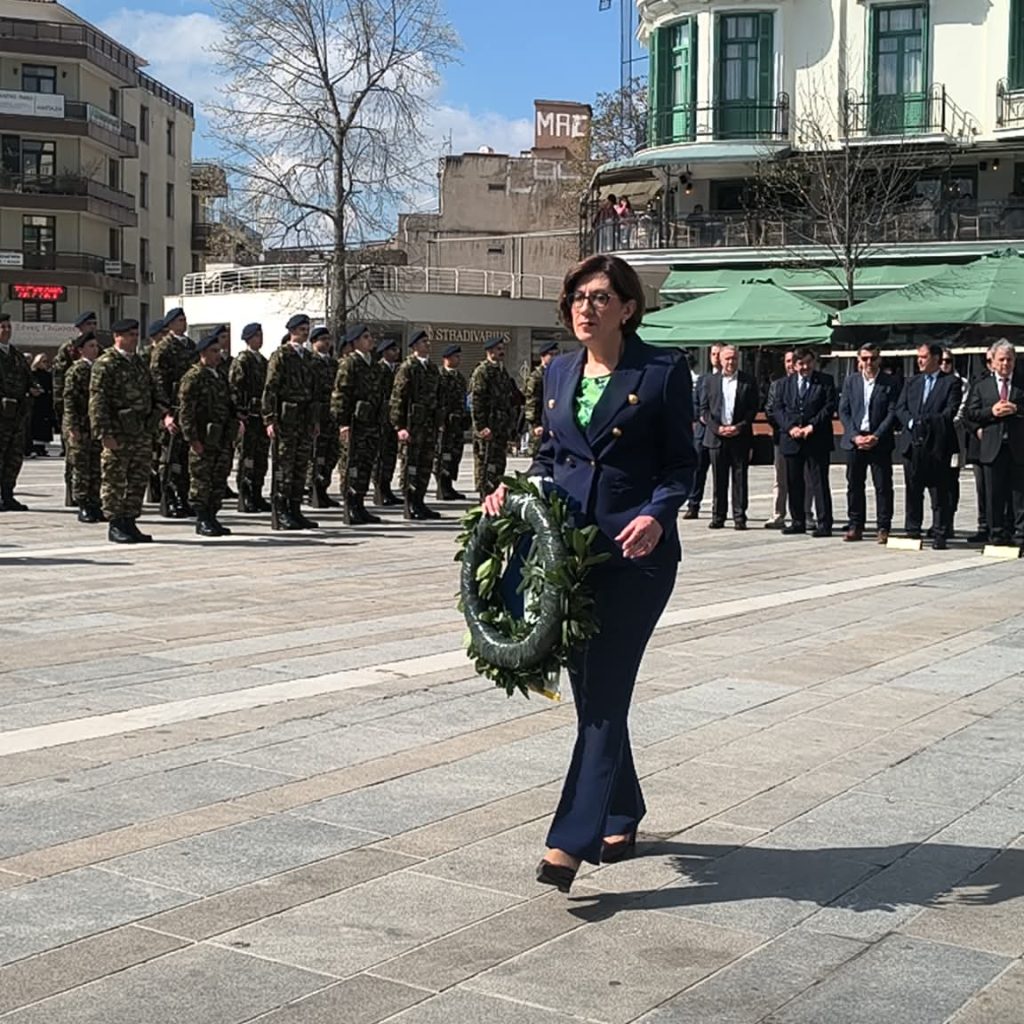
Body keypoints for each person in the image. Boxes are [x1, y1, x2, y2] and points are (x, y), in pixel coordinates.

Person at [483, 254, 696, 891]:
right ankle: (622, 810)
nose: (586, 307)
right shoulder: (558, 370)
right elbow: (551, 455)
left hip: (636, 558)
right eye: (578, 296)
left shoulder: (662, 371)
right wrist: (515, 491)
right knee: (593, 692)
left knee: (604, 693)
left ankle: (569, 841)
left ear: (627, 308)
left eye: (601, 297)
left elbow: (681, 465)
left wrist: (657, 514)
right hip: (569, 558)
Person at [89, 318, 160, 543]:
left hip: (140, 432)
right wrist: (104, 433)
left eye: (136, 334)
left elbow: (151, 391)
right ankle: (115, 523)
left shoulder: (138, 362)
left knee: (138, 479)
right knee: (115, 479)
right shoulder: (106, 363)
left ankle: (130, 521)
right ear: (117, 336)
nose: (134, 339)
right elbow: (98, 400)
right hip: (118, 432)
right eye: (130, 335)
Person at [895, 343, 963, 550]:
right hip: (912, 444)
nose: (920, 360)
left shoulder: (951, 382)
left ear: (935, 358)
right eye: (919, 357)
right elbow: (900, 408)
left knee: (940, 491)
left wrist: (925, 423)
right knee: (913, 490)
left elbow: (949, 411)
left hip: (937, 445)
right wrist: (911, 422)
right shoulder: (912, 382)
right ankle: (912, 530)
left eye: (924, 357)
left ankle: (940, 532)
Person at [179, 328, 244, 537]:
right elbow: (186, 412)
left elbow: (229, 405)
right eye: (214, 351)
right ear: (203, 353)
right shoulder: (193, 377)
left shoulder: (220, 376)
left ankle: (213, 516)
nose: (218, 355)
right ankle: (202, 519)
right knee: (202, 479)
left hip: (221, 437)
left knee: (218, 478)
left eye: (219, 351)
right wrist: (192, 439)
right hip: (203, 438)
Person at [838, 342, 900, 543]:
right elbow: (844, 410)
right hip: (855, 440)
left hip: (878, 441)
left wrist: (877, 435)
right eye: (865, 358)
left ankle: (883, 527)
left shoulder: (890, 382)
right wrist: (854, 435)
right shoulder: (851, 381)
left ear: (879, 359)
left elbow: (892, 411)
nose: (869, 362)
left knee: (883, 486)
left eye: (873, 358)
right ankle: (855, 525)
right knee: (854, 485)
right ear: (859, 360)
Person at [261, 313, 319, 531]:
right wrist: (269, 419)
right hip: (286, 421)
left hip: (304, 419)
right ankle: (281, 509)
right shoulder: (281, 355)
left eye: (307, 329)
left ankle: (295, 509)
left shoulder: (308, 357)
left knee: (300, 465)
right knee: (284, 466)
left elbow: (314, 391)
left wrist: (314, 421)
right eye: (302, 329)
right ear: (292, 331)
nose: (305, 333)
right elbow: (271, 389)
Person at [965, 339, 1024, 548]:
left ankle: (1020, 535)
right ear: (994, 361)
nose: (1005, 364)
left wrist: (1016, 409)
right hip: (992, 448)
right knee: (994, 495)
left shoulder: (1021, 384)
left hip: (1018, 447)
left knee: (1019, 495)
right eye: (1001, 360)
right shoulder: (982, 386)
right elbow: (970, 413)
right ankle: (996, 534)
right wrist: (991, 412)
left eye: (1009, 360)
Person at [773, 348, 837, 537]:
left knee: (819, 483)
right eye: (801, 363)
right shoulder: (783, 384)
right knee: (794, 482)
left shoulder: (825, 381)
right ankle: (797, 521)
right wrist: (790, 427)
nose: (805, 367)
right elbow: (778, 409)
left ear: (814, 362)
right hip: (792, 439)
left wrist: (812, 426)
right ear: (794, 365)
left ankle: (824, 523)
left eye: (808, 362)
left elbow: (829, 406)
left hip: (816, 438)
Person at [331, 324, 386, 524]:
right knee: (351, 465)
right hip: (355, 423)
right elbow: (340, 394)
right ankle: (350, 505)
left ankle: (360, 504)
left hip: (370, 423)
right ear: (355, 342)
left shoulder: (374, 365)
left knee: (366, 464)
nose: (370, 340)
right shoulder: (350, 363)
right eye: (366, 337)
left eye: (370, 337)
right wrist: (343, 423)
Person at [701, 345, 757, 530]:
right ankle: (718, 516)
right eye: (727, 358)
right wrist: (717, 428)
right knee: (719, 479)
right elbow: (704, 410)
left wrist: (739, 427)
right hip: (717, 438)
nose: (731, 362)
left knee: (740, 479)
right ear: (720, 360)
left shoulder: (748, 381)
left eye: (734, 358)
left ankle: (739, 517)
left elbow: (752, 409)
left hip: (739, 436)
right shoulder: (710, 381)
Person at [390, 329, 442, 520]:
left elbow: (438, 396)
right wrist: (400, 426)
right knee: (410, 465)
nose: (427, 344)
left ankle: (420, 501)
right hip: (412, 425)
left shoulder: (432, 368)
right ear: (414, 346)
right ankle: (409, 503)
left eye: (428, 341)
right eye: (423, 342)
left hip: (428, 425)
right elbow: (398, 398)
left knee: (425, 465)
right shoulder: (407, 367)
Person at [150, 306, 196, 518]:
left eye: (184, 319)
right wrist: (165, 412)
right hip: (172, 410)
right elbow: (157, 382)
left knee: (185, 458)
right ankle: (169, 498)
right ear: (169, 324)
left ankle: (183, 497)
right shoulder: (163, 348)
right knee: (169, 458)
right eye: (179, 320)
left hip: (187, 409)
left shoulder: (191, 346)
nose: (183, 323)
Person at [470, 336, 522, 499]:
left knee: (498, 465)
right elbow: (476, 401)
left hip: (500, 428)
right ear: (490, 351)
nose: (502, 352)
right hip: (488, 427)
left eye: (502, 349)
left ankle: (493, 498)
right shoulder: (482, 371)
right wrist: (481, 427)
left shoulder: (501, 371)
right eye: (498, 349)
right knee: (486, 466)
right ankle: (484, 499)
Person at [62, 331, 104, 523]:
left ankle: (95, 502)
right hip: (80, 424)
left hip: (95, 426)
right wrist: (72, 426)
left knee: (96, 466)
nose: (95, 350)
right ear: (81, 350)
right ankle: (83, 504)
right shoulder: (76, 371)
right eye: (90, 346)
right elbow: (69, 400)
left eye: (96, 346)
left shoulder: (99, 368)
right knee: (81, 467)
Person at [230, 323, 271, 513]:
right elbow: (235, 388)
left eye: (261, 335)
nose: (259, 339)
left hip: (260, 416)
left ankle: (257, 493)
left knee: (261, 457)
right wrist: (239, 412)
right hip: (248, 416)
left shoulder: (263, 361)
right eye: (256, 336)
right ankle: (245, 494)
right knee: (247, 458)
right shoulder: (242, 360)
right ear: (248, 338)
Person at [682, 344, 720, 519]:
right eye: (713, 354)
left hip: (719, 432)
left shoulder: (729, 380)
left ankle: (718, 509)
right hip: (702, 431)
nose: (715, 357)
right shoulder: (703, 379)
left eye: (718, 354)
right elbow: (695, 403)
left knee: (720, 473)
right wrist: (701, 417)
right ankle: (693, 504)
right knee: (698, 470)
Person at [0, 313, 32, 511]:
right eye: (2, 327)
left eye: (8, 327)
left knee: (14, 458)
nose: (6, 330)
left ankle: (7, 494)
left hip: (17, 416)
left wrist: (33, 388)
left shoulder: (17, 355)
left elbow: (29, 378)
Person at [307, 326, 340, 508]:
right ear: (314, 342)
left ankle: (323, 489)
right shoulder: (310, 362)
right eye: (323, 339)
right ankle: (313, 490)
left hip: (331, 415)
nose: (327, 343)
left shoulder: (333, 364)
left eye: (329, 339)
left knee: (331, 454)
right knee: (316, 455)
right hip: (317, 415)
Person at [763, 348, 796, 528]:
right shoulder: (777, 385)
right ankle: (778, 514)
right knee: (780, 479)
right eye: (788, 361)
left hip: (804, 437)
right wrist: (786, 428)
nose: (791, 365)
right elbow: (770, 410)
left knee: (804, 479)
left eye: (794, 361)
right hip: (782, 438)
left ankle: (806, 514)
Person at [435, 343, 470, 500]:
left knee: (455, 455)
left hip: (457, 424)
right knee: (443, 455)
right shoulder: (439, 376)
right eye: (456, 356)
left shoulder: (460, 378)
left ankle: (449, 485)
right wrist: (439, 420)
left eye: (459, 356)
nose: (458, 359)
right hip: (445, 424)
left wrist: (465, 417)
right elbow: (435, 400)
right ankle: (442, 487)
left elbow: (464, 400)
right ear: (446, 359)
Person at [372, 338, 402, 506]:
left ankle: (387, 487)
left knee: (390, 454)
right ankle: (379, 489)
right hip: (381, 419)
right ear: (384, 352)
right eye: (392, 350)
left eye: (396, 349)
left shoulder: (398, 369)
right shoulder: (378, 369)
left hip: (393, 418)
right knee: (380, 456)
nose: (396, 352)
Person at [523, 342, 558, 460]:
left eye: (556, 354)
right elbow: (531, 402)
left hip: (554, 423)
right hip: (541, 424)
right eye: (551, 354)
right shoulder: (536, 377)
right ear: (543, 357)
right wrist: (535, 424)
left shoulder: (557, 374)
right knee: (540, 459)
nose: (554, 357)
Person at [29, 353, 55, 457]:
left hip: (46, 403)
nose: (46, 364)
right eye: (43, 361)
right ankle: (35, 447)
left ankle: (43, 447)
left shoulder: (48, 375)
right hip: (36, 404)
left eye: (47, 361)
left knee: (45, 425)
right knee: (36, 425)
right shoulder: (32, 374)